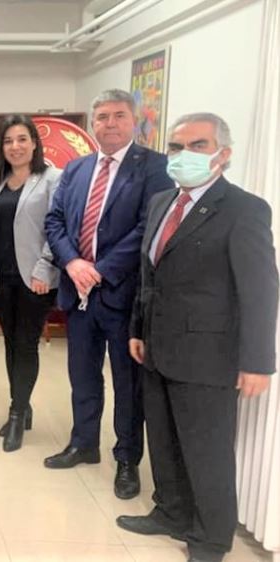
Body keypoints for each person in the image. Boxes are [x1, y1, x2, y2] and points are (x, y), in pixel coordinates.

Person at [117, 113, 278, 562]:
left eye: (198, 145)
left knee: (206, 450)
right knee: (163, 440)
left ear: (223, 154)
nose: (183, 155)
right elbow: (149, 274)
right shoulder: (162, 202)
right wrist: (137, 329)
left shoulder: (244, 209)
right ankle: (170, 512)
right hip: (157, 346)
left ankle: (210, 538)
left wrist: (258, 362)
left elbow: (261, 289)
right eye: (175, 146)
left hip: (209, 354)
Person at [44, 89, 173, 499]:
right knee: (82, 375)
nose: (110, 124)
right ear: (93, 123)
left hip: (122, 295)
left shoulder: (155, 167)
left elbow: (148, 227)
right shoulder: (77, 168)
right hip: (78, 293)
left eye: (119, 116)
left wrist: (99, 270)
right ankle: (83, 443)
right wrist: (72, 263)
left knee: (127, 383)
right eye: (102, 117)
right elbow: (55, 221)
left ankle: (127, 459)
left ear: (134, 121)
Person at [0, 114, 61, 451]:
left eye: (22, 139)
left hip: (35, 279)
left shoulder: (52, 179)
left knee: (25, 343)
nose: (15, 146)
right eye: (8, 141)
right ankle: (22, 404)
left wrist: (45, 268)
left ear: (34, 143)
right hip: (0, 276)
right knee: (11, 342)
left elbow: (58, 228)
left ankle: (17, 414)